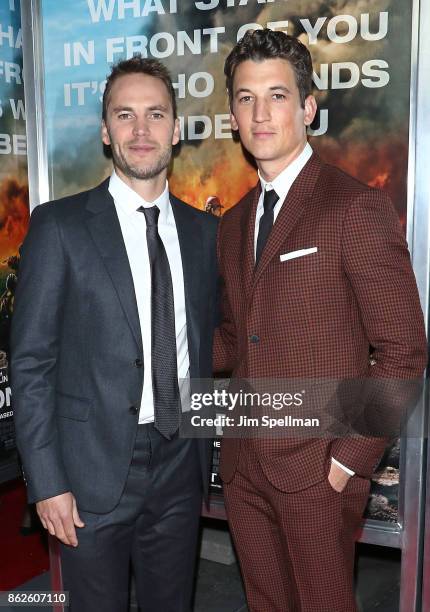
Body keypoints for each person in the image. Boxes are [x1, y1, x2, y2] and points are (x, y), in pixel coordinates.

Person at [214, 29, 427, 612]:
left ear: (308, 107)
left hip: (317, 468)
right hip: (244, 464)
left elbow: (403, 352)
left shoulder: (352, 206)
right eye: (246, 98)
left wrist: (346, 461)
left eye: (277, 96)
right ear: (232, 113)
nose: (260, 114)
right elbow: (237, 339)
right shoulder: (234, 223)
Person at [11, 55, 218, 612]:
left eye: (156, 114)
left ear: (176, 129)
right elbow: (31, 363)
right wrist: (47, 482)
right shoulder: (59, 227)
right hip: (89, 471)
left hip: (180, 463)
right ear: (106, 131)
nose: (141, 130)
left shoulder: (204, 235)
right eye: (125, 115)